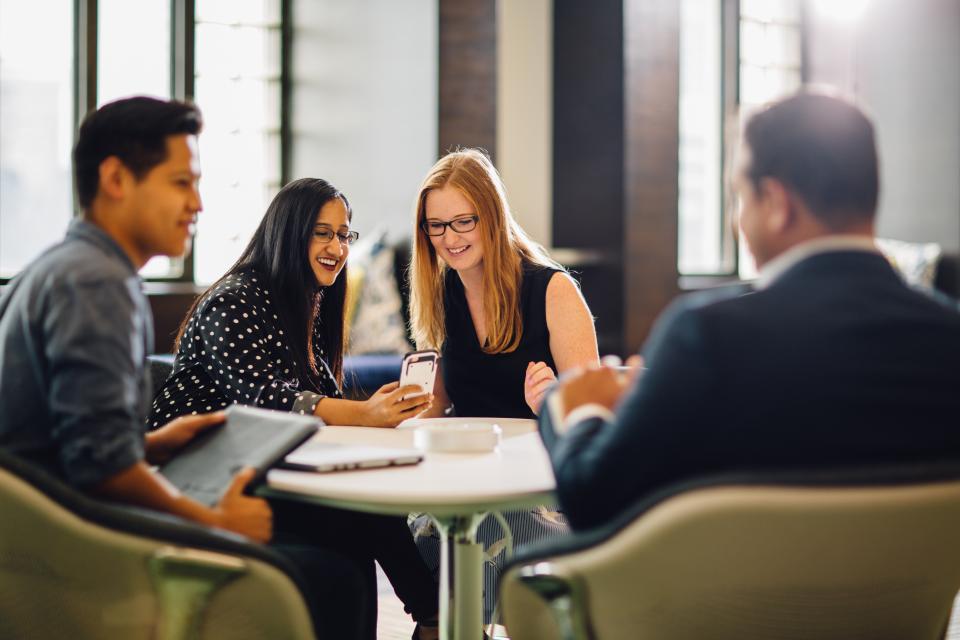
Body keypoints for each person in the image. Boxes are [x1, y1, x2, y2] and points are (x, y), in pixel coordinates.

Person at [0, 97, 369, 638]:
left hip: (37, 536)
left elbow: (65, 446)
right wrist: (216, 524)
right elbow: (102, 472)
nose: (197, 203)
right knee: (336, 579)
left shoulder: (62, 268)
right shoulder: (98, 283)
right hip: (66, 550)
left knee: (334, 531)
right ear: (116, 179)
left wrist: (152, 444)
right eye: (180, 183)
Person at [541, 90, 960, 532]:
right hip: (901, 602)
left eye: (739, 197)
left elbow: (593, 500)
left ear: (777, 204)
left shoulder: (706, 340)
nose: (736, 221)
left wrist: (582, 409)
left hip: (731, 603)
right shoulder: (950, 338)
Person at [150, 177, 439, 639]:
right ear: (288, 232)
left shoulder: (305, 303)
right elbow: (267, 398)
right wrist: (363, 414)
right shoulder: (235, 300)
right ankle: (434, 618)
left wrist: (370, 411)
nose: (337, 246)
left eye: (344, 234)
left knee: (359, 510)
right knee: (359, 513)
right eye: (322, 232)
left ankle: (432, 618)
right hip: (199, 478)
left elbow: (312, 403)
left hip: (258, 466)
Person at [406, 148, 600, 621]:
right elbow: (437, 405)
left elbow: (592, 420)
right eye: (436, 225)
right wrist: (404, 405)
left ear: (492, 217)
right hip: (467, 480)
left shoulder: (552, 290)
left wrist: (552, 402)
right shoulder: (443, 294)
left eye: (463, 222)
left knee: (491, 529)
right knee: (398, 529)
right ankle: (444, 624)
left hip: (539, 489)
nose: (449, 239)